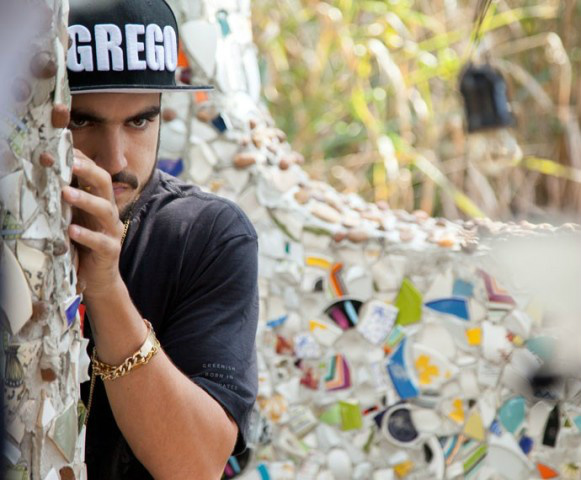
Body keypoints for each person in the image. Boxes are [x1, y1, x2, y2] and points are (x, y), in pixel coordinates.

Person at [63, 1, 259, 478]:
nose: (114, 160)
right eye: (82, 122)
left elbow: (195, 466)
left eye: (139, 121)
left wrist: (107, 290)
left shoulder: (207, 235)